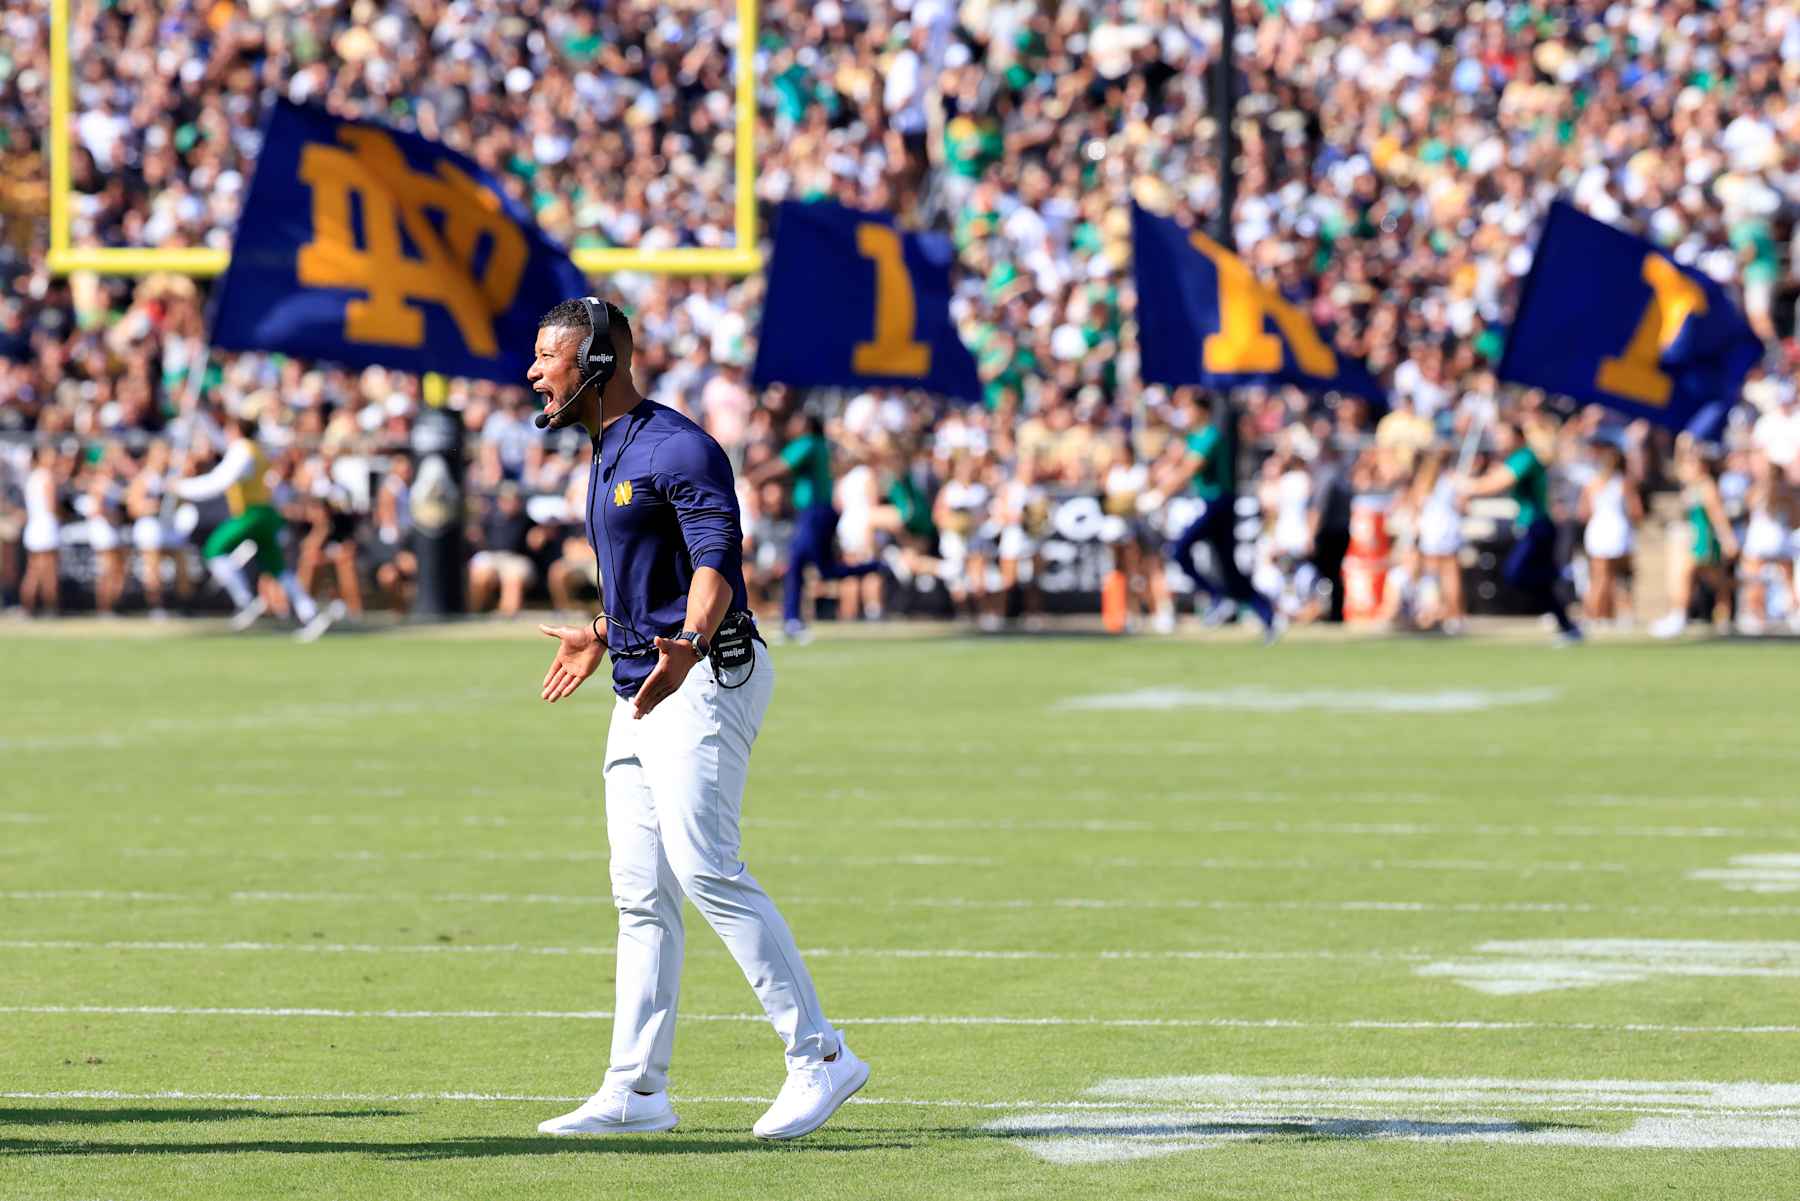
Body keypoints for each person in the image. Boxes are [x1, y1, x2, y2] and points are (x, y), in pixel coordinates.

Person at [526, 297, 866, 1141]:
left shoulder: (677, 445)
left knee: (705, 867)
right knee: (640, 892)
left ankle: (819, 1055)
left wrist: (683, 641)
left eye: (549, 357)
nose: (536, 372)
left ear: (597, 364)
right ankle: (637, 1090)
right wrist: (605, 632)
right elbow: (655, 575)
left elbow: (716, 562)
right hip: (643, 684)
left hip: (704, 674)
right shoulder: (607, 449)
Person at [171, 399, 343, 641]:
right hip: (265, 514)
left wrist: (182, 487)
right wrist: (199, 415)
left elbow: (220, 481)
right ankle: (310, 613)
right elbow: (219, 440)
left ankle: (246, 601)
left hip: (253, 515)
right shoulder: (252, 448)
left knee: (214, 549)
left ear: (237, 430)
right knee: (279, 569)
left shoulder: (242, 450)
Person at [1147, 391, 1281, 639]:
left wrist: (1159, 495)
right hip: (1211, 503)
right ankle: (1266, 614)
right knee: (1229, 569)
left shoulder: (1210, 436)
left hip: (1218, 503)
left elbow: (1189, 468)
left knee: (1180, 550)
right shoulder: (1194, 437)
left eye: (1188, 407)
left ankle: (1217, 596)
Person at [746, 411, 882, 640]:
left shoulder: (808, 442)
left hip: (814, 512)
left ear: (806, 424)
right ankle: (876, 567)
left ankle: (791, 620)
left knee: (797, 560)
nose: (792, 424)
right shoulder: (821, 445)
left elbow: (781, 466)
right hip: (819, 512)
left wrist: (752, 479)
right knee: (825, 569)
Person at [1458, 420, 1581, 645]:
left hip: (1538, 527)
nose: (1498, 440)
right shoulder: (1517, 458)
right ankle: (1566, 623)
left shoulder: (1524, 457)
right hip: (1532, 526)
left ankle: (1555, 580)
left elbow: (1496, 483)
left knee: (1516, 573)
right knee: (1534, 579)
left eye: (1502, 435)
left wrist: (1466, 485)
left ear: (1516, 437)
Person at [1577, 442, 1641, 627]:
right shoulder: (1624, 483)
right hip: (1618, 530)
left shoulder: (1592, 483)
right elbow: (1636, 511)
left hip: (1597, 530)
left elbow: (1583, 512)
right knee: (1619, 576)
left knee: (1600, 576)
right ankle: (1616, 614)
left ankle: (1597, 615)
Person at [127, 440, 190, 618]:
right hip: (150, 526)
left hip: (168, 526)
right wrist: (153, 506)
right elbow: (133, 506)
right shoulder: (145, 477)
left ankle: (183, 604)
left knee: (182, 563)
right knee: (152, 567)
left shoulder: (172, 477)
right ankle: (156, 606)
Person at [1410, 448, 1465, 633]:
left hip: (1431, 530)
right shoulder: (1451, 480)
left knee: (1432, 575)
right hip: (1446, 529)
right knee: (1448, 574)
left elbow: (1416, 507)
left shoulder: (1424, 481)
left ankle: (1433, 614)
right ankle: (1451, 615)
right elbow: (1462, 505)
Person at [20, 443, 62, 616]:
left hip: (34, 526)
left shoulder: (32, 477)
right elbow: (51, 506)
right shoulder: (47, 477)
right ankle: (50, 607)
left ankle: (27, 608)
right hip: (46, 527)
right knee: (49, 571)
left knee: (33, 571)